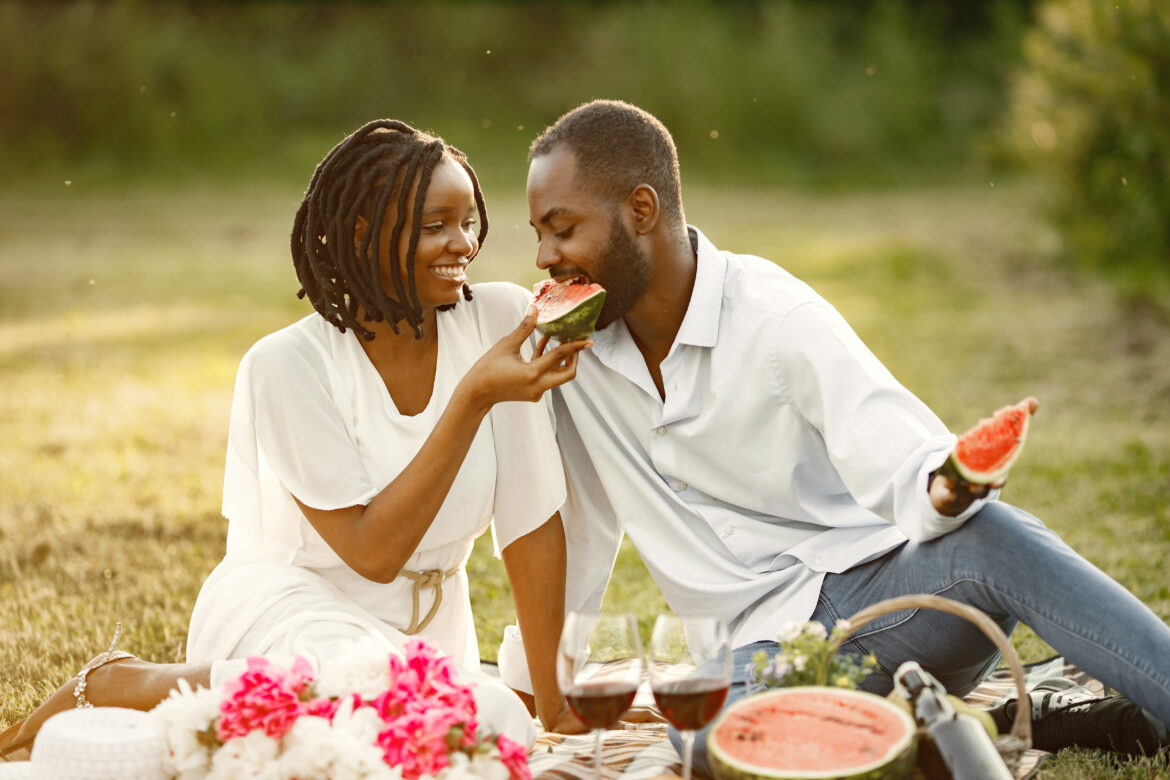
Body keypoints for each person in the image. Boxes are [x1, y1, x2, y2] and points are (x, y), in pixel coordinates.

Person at [498, 99, 1170, 768]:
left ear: (641, 210)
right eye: (538, 234)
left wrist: (947, 488)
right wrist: (543, 683)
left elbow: (899, 450)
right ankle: (954, 725)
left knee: (997, 535)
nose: (544, 256)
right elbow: (580, 523)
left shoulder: (775, 318)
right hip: (755, 657)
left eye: (562, 230)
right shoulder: (575, 360)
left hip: (889, 603)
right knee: (701, 732)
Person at [0, 118, 587, 762]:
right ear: (362, 233)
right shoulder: (286, 365)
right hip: (294, 617)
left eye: (468, 221)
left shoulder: (497, 319)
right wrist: (472, 397)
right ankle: (125, 683)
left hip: (425, 635)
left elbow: (531, 522)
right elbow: (373, 552)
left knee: (489, 726)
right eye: (434, 225)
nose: (463, 243)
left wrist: (555, 702)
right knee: (453, 713)